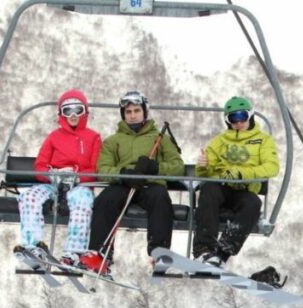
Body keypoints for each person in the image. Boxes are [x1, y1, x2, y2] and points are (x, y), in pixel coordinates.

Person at [87, 90, 183, 274]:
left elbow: (177, 166)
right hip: (124, 184)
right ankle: (100, 254)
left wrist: (155, 168)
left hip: (151, 184)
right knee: (104, 201)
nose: (132, 116)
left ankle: (159, 252)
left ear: (144, 112)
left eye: (136, 111)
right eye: (128, 112)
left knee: (160, 198)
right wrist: (123, 174)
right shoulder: (113, 141)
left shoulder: (160, 138)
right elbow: (103, 169)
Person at [14, 89, 101, 263]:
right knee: (29, 197)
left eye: (79, 110)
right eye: (68, 110)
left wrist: (77, 177)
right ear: (62, 113)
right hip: (53, 183)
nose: (74, 115)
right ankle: (32, 245)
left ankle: (74, 251)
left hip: (79, 185)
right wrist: (51, 175)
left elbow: (95, 169)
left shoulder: (93, 138)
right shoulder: (54, 137)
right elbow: (40, 165)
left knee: (82, 201)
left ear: (85, 112)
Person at [192, 95, 279, 266]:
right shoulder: (220, 141)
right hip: (222, 187)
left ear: (250, 116)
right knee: (209, 189)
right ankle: (203, 250)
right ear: (228, 121)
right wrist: (203, 166)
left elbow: (272, 167)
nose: (238, 123)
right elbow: (204, 173)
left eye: (242, 117)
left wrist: (242, 173)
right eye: (233, 118)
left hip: (244, 190)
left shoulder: (263, 140)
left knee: (253, 203)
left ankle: (222, 251)